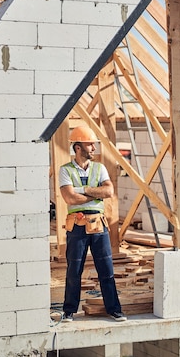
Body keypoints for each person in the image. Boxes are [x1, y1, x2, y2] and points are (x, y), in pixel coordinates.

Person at [58, 125, 126, 322]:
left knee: (106, 270)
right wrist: (95, 195)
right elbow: (70, 198)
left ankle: (114, 309)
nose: (94, 148)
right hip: (77, 226)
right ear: (78, 147)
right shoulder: (66, 170)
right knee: (74, 270)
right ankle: (69, 311)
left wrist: (83, 190)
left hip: (99, 226)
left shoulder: (100, 168)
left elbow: (108, 192)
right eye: (90, 144)